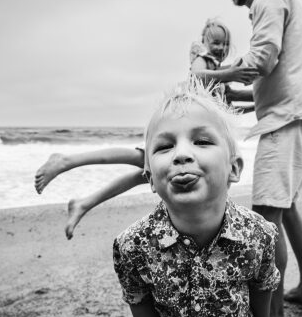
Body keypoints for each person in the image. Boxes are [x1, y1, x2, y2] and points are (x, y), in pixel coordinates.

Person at [34, 19, 257, 240]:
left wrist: (260, 102)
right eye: (216, 42)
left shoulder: (218, 73)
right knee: (134, 158)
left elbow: (230, 103)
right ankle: (66, 161)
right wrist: (230, 75)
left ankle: (84, 203)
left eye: (225, 44)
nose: (221, 48)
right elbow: (196, 76)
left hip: (185, 140)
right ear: (204, 42)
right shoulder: (203, 61)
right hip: (177, 134)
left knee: (142, 174)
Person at [113, 80, 280, 317]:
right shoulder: (133, 245)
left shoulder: (259, 234)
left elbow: (262, 285)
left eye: (201, 141)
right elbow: (138, 298)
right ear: (151, 179)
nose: (181, 154)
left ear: (233, 169)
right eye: (164, 146)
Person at [217, 0, 302, 317]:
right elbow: (270, 82)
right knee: (287, 208)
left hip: (289, 123)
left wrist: (216, 75)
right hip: (299, 116)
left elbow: (262, 61)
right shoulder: (273, 5)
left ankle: (275, 316)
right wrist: (233, 96)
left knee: (266, 218)